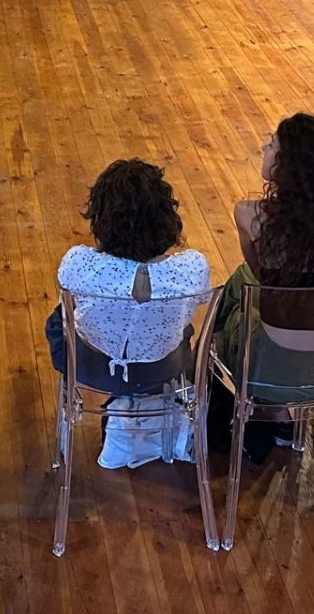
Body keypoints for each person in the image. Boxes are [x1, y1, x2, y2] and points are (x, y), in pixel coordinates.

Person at [211, 115, 314, 459]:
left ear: (287, 166)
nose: (263, 147)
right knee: (247, 287)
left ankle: (241, 415)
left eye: (271, 145)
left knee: (235, 291)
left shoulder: (251, 216)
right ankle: (293, 414)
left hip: (267, 371)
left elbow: (260, 277)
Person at [46, 160, 213, 454]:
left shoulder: (78, 262)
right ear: (167, 217)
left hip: (90, 368)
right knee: (181, 323)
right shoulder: (191, 268)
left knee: (60, 317)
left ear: (101, 218)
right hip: (162, 368)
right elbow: (199, 302)